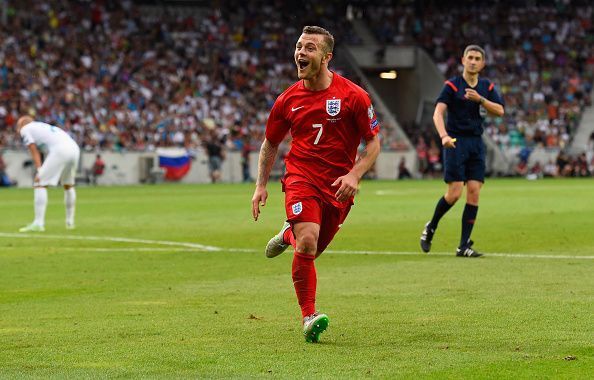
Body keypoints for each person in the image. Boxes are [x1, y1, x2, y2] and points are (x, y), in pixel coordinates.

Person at [251, 26, 381, 343]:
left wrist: (355, 174)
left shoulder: (354, 96)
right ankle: (309, 317)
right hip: (301, 177)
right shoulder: (287, 100)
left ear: (326, 57)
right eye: (298, 46)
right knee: (307, 240)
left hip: (338, 187)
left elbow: (373, 143)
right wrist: (260, 185)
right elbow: (270, 145)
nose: (301, 53)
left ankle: (286, 233)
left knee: (310, 250)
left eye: (309, 48)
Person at [420, 45, 504, 257]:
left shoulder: (487, 86)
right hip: (455, 142)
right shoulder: (452, 85)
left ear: (483, 64)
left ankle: (463, 245)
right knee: (455, 193)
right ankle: (431, 226)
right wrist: (444, 136)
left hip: (476, 142)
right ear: (463, 60)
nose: (474, 61)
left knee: (474, 191)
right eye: (470, 57)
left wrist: (481, 100)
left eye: (478, 58)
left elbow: (500, 111)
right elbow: (438, 114)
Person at [16, 116, 80, 231]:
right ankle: (70, 222)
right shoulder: (42, 126)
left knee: (39, 182)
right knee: (68, 185)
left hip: (60, 150)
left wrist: (39, 169)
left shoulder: (25, 129)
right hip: (74, 148)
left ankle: (38, 223)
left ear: (22, 124)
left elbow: (33, 149)